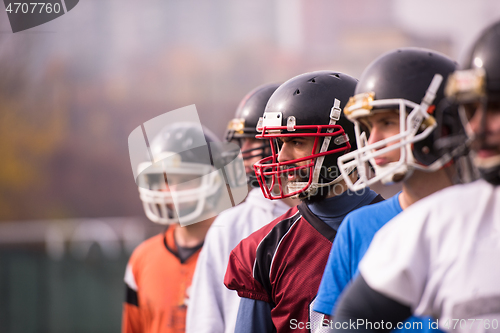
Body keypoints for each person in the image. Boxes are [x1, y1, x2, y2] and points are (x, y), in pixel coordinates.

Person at [332, 21, 500, 333]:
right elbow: (347, 321)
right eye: (473, 109)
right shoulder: (438, 220)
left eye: (495, 108)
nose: (476, 127)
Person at [224, 71, 384, 333]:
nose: (282, 157)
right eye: (280, 143)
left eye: (297, 141)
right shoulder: (265, 249)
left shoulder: (399, 227)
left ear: (344, 144)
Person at [313, 48, 460, 332]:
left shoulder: (486, 221)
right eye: (368, 127)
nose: (372, 141)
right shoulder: (358, 226)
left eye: (388, 122)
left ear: (440, 126)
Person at [186, 83, 297, 333]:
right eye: (241, 142)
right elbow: (205, 320)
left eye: (253, 140)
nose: (244, 152)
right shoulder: (230, 225)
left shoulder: (325, 219)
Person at [122, 122, 224, 333]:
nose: (173, 191)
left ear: (215, 181)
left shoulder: (237, 256)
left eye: (185, 180)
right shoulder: (141, 260)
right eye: (166, 179)